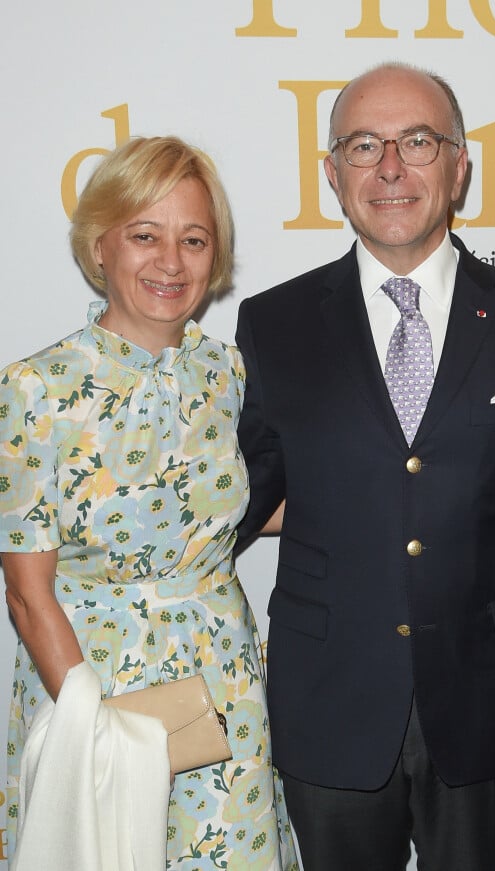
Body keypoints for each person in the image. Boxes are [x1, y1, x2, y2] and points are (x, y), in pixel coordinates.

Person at [235, 63, 495, 871]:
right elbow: (239, 493)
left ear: (460, 165)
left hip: (486, 705)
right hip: (328, 700)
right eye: (363, 145)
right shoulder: (273, 324)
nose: (390, 167)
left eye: (417, 141)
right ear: (331, 174)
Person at [0, 135, 297, 870]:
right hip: (93, 688)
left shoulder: (226, 371)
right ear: (100, 244)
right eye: (145, 235)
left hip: (222, 692)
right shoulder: (36, 391)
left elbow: (242, 506)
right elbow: (28, 593)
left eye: (194, 239)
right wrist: (94, 733)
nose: (171, 261)